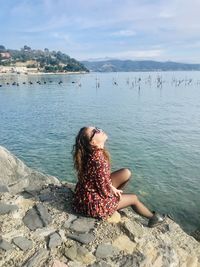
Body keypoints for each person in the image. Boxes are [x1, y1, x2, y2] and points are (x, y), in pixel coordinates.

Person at [72, 126, 165, 227]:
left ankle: (115, 204)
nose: (100, 130)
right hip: (92, 205)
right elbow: (103, 192)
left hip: (85, 196)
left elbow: (99, 179)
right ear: (93, 142)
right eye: (96, 131)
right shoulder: (99, 161)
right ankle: (154, 218)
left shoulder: (92, 153)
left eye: (97, 128)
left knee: (126, 173)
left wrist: (112, 188)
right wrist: (112, 192)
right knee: (134, 198)